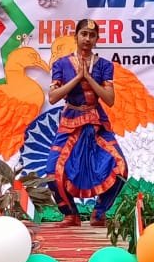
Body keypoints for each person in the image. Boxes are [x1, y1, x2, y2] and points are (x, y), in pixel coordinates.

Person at [46, 20, 128, 227]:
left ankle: (99, 213)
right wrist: (77, 79)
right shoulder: (61, 64)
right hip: (70, 121)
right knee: (52, 171)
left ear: (97, 39)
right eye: (84, 34)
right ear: (76, 36)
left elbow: (109, 99)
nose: (87, 39)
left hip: (96, 121)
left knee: (121, 167)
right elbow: (53, 97)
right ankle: (70, 214)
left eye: (92, 35)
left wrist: (89, 78)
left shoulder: (104, 65)